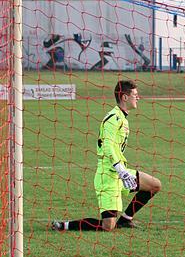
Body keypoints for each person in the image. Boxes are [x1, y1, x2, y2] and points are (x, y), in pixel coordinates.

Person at [51, 80, 162, 231]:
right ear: (124, 97)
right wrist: (120, 170)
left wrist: (122, 170)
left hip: (120, 173)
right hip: (108, 176)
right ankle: (64, 225)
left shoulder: (122, 118)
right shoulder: (113, 118)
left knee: (154, 185)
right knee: (108, 226)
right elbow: (107, 145)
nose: (138, 97)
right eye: (135, 94)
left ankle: (126, 219)